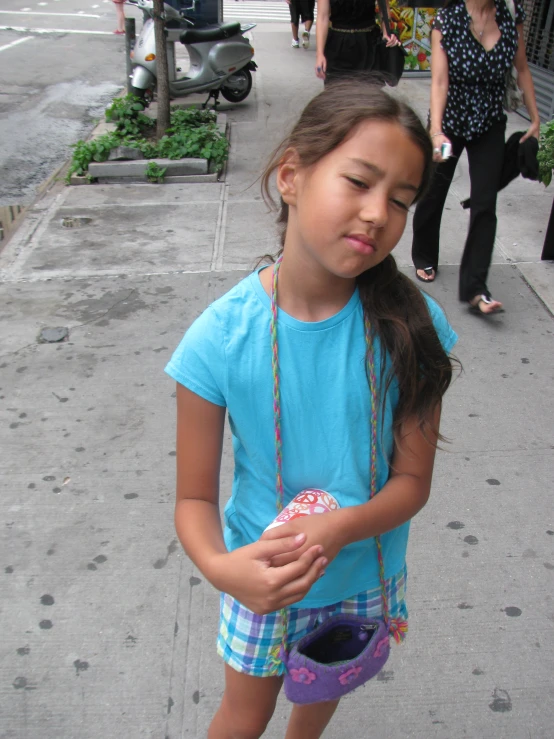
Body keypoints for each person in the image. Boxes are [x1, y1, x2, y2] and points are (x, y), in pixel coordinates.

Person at [166, 82, 458, 739]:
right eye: (358, 181)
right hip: (260, 578)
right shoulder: (218, 339)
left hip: (360, 571)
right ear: (291, 176)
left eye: (402, 200)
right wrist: (223, 568)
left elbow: (412, 482)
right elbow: (193, 499)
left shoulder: (412, 326)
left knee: (321, 686)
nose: (378, 213)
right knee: (244, 714)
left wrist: (340, 530)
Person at [411, 0, 540, 315]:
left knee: (485, 203)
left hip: (489, 122)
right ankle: (425, 255)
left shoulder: (511, 16)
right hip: (450, 120)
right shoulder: (448, 19)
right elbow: (440, 81)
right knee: (433, 191)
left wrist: (535, 119)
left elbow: (522, 68)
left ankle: (475, 288)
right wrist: (437, 130)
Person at [315, 0, 400, 83]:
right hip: (337, 46)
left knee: (369, 92)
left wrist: (386, 33)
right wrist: (320, 54)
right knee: (338, 92)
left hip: (369, 45)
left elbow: (384, 9)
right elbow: (322, 17)